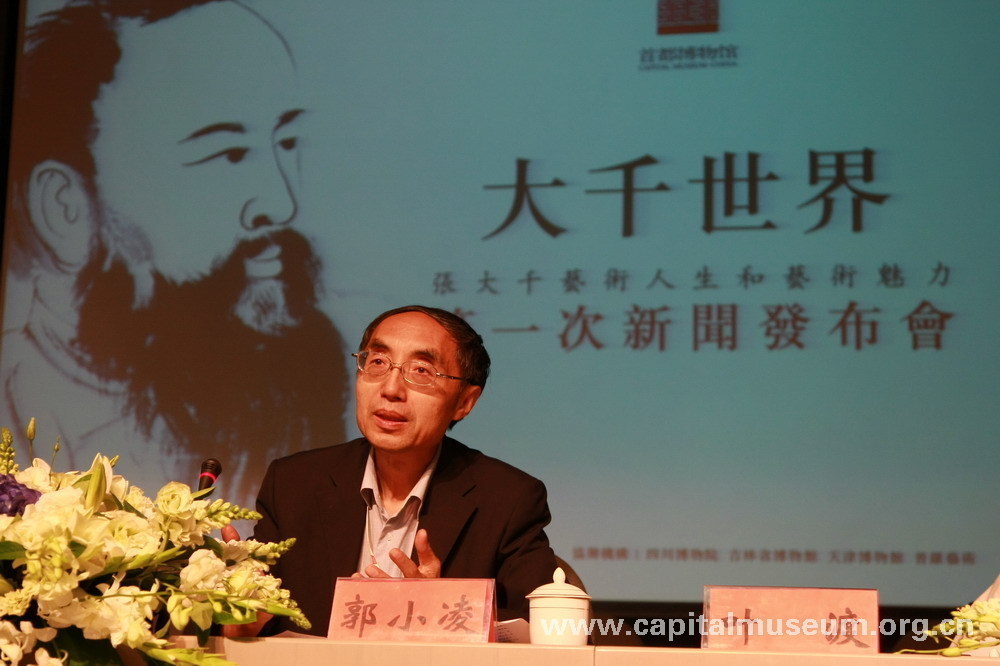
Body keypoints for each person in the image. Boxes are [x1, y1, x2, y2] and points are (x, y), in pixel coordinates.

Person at [0, 0, 346, 507]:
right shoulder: (17, 407)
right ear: (64, 206)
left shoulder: (302, 377)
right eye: (228, 154)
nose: (281, 205)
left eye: (287, 142)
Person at [243, 305, 559, 636]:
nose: (391, 389)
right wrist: (231, 608)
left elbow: (552, 627)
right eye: (378, 362)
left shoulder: (507, 499)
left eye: (422, 370)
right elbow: (255, 610)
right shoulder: (293, 483)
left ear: (464, 402)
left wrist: (441, 613)